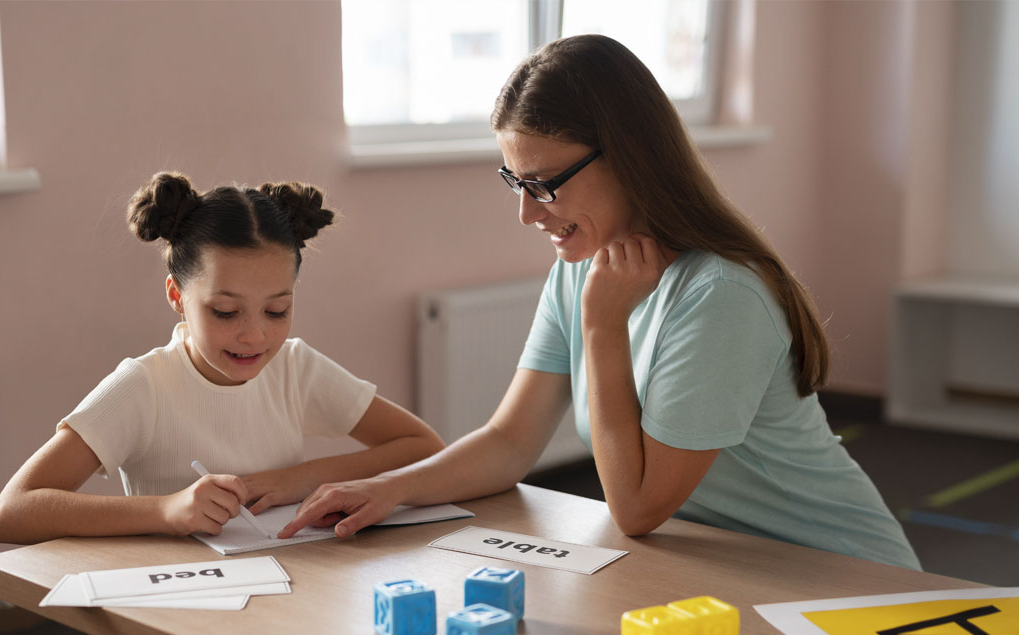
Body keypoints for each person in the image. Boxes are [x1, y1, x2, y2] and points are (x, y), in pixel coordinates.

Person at [280, 34, 920, 570]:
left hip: (840, 571)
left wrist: (604, 325)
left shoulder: (720, 295)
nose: (527, 212)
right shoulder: (586, 264)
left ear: (630, 158)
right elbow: (510, 440)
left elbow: (636, 508)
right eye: (514, 181)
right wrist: (384, 490)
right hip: (720, 558)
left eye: (543, 184)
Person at [0, 172, 444, 545]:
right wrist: (167, 509)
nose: (254, 335)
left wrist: (297, 479)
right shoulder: (145, 387)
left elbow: (423, 447)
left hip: (279, 589)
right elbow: (13, 511)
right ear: (177, 295)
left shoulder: (294, 367)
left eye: (277, 310)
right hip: (168, 604)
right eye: (225, 312)